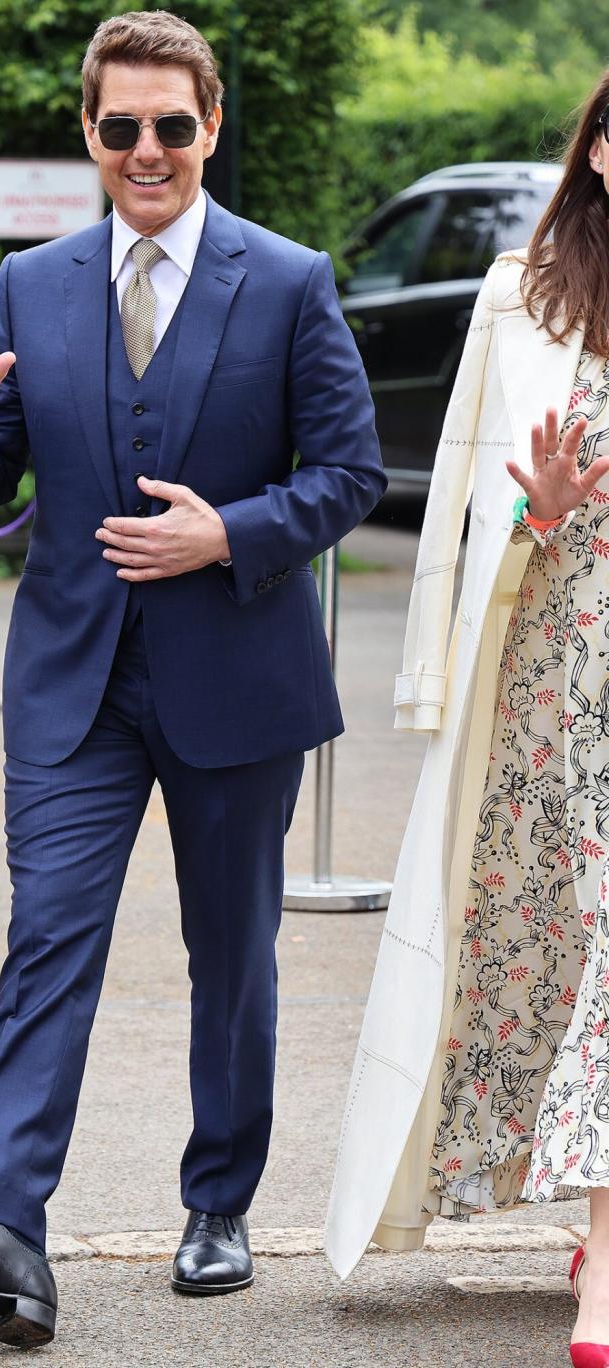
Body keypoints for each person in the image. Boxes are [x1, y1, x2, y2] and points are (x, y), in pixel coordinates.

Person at [0, 9, 384, 1349]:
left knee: (234, 957)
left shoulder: (287, 280)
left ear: (210, 128)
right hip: (73, 685)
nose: (145, 148)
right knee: (50, 934)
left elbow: (348, 476)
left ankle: (219, 1203)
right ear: (91, 136)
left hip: (240, 679)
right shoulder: (33, 285)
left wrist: (232, 531)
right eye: (121, 127)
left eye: (171, 124)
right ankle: (1, 1230)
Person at [326, 66, 609, 1368]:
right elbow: (462, 520)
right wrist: (539, 507)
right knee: (569, 942)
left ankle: (603, 1260)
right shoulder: (520, 302)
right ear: (597, 156)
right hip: (558, 679)